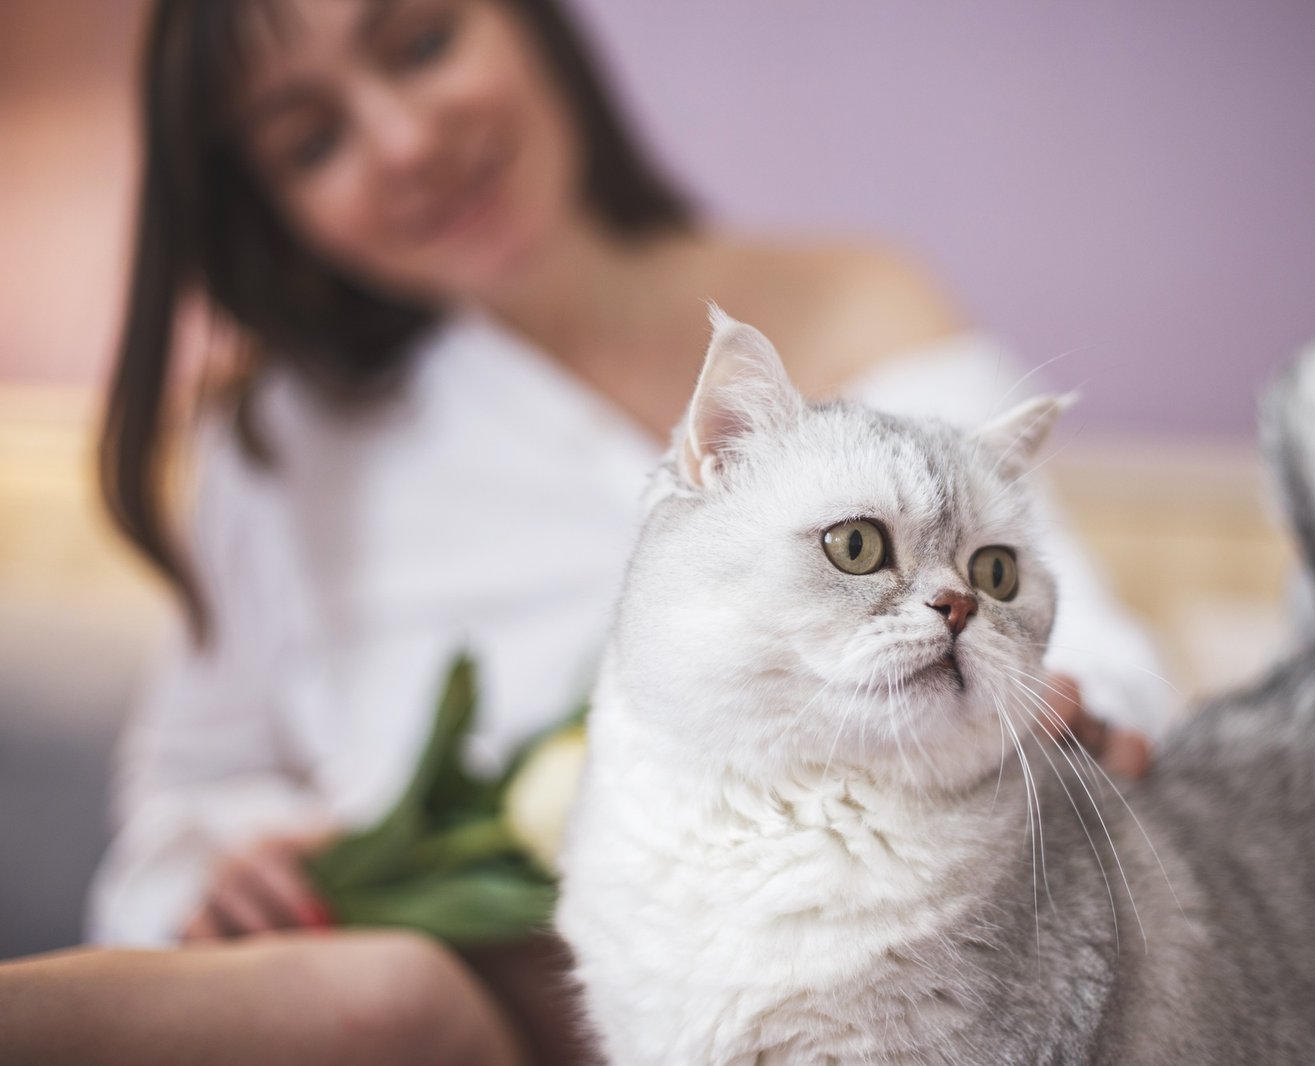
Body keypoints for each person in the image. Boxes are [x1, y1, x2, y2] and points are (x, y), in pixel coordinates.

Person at [33, 0, 1169, 1060]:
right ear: (268, 210)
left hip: (870, 990)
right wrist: (225, 862)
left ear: (526, 23)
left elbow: (1094, 663)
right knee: (378, 994)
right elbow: (185, 794)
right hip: (458, 1012)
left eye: (421, 44)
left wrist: (1060, 708)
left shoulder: (854, 305)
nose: (403, 143)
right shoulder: (280, 447)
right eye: (308, 142)